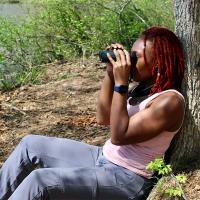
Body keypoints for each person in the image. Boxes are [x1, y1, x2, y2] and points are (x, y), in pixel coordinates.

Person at [0, 26, 185, 200]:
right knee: (29, 144)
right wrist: (111, 74)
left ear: (158, 64)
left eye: (136, 57)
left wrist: (121, 84)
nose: (130, 61)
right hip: (102, 157)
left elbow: (119, 136)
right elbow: (103, 118)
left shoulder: (169, 101)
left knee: (41, 181)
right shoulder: (143, 88)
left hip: (127, 178)